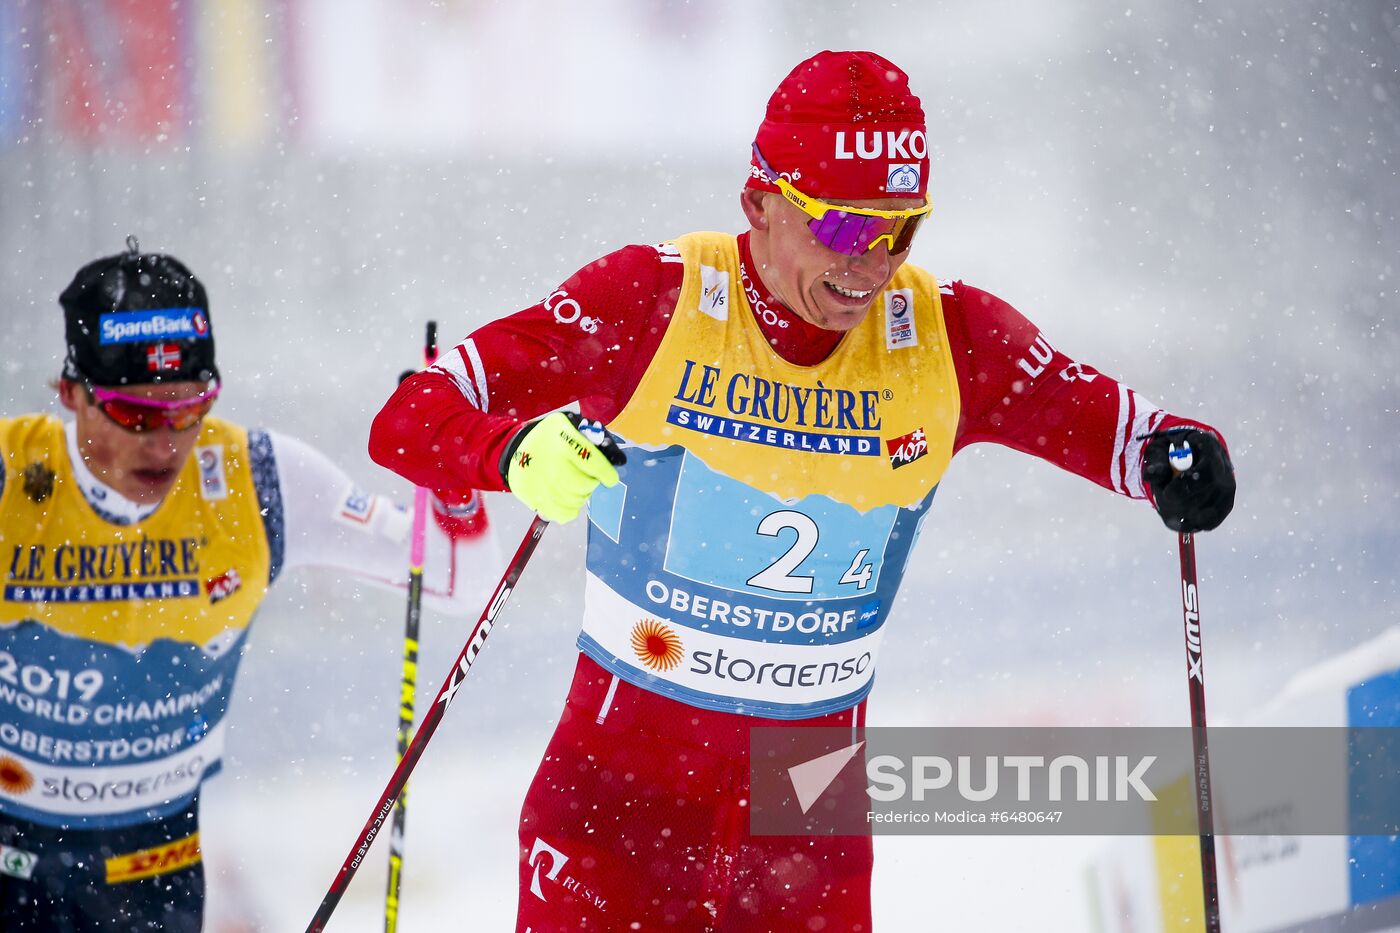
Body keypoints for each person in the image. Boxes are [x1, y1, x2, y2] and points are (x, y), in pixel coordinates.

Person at [371, 50, 1236, 932]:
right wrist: (516, 452)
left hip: (804, 831)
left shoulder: (950, 337)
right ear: (760, 203)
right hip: (616, 814)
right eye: (849, 228)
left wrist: (1176, 454)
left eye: (901, 232)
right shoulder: (652, 299)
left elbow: (1125, 433)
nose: (874, 266)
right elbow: (411, 413)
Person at [0, 239, 494, 932]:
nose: (167, 441)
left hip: (156, 877)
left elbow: (458, 577)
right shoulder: (11, 477)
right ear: (72, 395)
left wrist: (449, 460)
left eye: (190, 406)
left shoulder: (255, 477)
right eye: (139, 416)